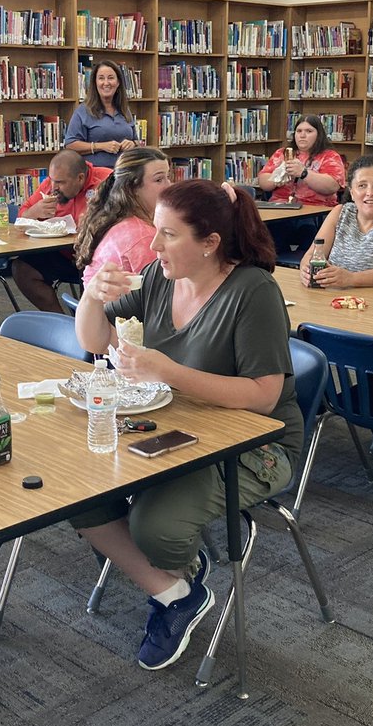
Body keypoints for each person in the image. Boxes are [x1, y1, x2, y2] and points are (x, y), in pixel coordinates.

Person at [74, 179, 302, 671]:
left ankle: (174, 564)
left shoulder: (254, 291)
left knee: (154, 525)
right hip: (176, 429)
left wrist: (168, 371)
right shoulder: (161, 277)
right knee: (75, 490)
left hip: (257, 445)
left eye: (168, 235)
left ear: (210, 243)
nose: (153, 246)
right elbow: (96, 341)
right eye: (155, 230)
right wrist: (92, 297)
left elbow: (264, 398)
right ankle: (175, 590)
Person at [298, 155, 373, 290]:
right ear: (352, 192)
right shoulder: (340, 213)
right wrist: (306, 269)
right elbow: (313, 253)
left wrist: (351, 278)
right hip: (342, 298)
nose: (370, 192)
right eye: (362, 186)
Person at [13, 149, 112, 312]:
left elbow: (124, 221)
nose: (53, 187)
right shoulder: (50, 185)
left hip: (95, 255)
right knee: (21, 268)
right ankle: (61, 322)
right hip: (61, 252)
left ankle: (88, 321)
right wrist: (35, 211)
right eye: (52, 180)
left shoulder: (107, 181)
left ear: (80, 178)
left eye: (60, 182)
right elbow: (21, 217)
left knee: (87, 264)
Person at [74, 146, 170, 287]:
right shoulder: (143, 236)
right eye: (159, 180)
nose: (169, 185)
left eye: (168, 177)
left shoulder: (116, 218)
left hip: (97, 305)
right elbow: (159, 292)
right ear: (132, 188)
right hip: (114, 308)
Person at [256, 115, 346, 255]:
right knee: (268, 234)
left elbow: (332, 186)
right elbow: (263, 182)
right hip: (281, 210)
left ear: (319, 134)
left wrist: (304, 173)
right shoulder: (282, 153)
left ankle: (304, 264)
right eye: (299, 131)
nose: (302, 135)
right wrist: (277, 178)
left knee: (308, 231)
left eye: (309, 131)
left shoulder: (329, 156)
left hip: (315, 211)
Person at [63, 60, 139, 169]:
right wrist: (101, 146)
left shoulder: (124, 110)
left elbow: (136, 140)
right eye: (101, 78)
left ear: (118, 83)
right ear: (95, 83)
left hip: (126, 172)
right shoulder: (83, 111)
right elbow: (70, 145)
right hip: (97, 175)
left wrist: (133, 144)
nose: (106, 83)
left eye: (111, 78)